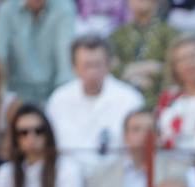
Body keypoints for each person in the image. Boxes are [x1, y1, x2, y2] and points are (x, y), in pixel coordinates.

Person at [45, 35, 144, 177]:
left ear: (109, 64)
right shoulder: (58, 100)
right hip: (67, 179)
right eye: (86, 65)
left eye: (97, 65)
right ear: (74, 67)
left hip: (116, 178)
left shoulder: (130, 99)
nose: (92, 72)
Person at [85, 108, 164, 187]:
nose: (144, 135)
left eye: (150, 130)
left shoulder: (176, 174)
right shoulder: (101, 175)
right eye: (136, 130)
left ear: (159, 136)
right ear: (125, 137)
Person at [0, 0, 76, 105]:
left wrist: (62, 98)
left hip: (52, 95)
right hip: (14, 96)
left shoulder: (64, 8)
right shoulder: (7, 10)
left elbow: (65, 58)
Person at [109, 0, 177, 107]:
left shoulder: (170, 34)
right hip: (123, 100)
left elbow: (177, 68)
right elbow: (110, 68)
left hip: (160, 100)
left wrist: (158, 69)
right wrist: (144, 69)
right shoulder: (117, 36)